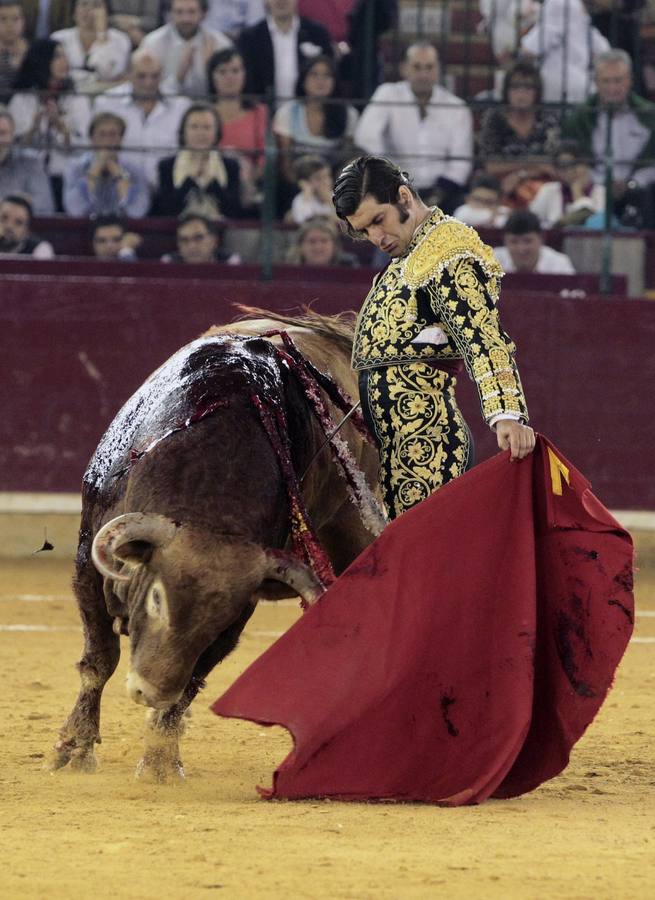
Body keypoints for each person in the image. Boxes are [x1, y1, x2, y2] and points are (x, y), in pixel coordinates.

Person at [332, 155, 534, 520]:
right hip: (399, 449)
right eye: (365, 231)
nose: (376, 238)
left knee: (427, 565)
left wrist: (506, 414)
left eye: (379, 221)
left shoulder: (447, 249)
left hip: (429, 443)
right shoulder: (407, 256)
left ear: (404, 197)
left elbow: (482, 335)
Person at [354, 42, 473, 215]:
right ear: (404, 69)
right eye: (417, 67)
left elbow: (461, 163)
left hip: (443, 193)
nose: (424, 74)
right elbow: (366, 138)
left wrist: (436, 196)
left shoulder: (457, 107)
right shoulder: (387, 94)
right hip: (393, 188)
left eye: (429, 67)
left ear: (438, 69)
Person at [561, 49, 655, 228]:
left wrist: (632, 183)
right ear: (596, 82)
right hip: (593, 191)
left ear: (629, 81)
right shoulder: (580, 118)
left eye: (618, 80)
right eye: (606, 81)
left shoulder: (649, 116)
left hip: (640, 194)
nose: (612, 88)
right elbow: (570, 160)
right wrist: (599, 183)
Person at [9, 39, 92, 210]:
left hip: (65, 176)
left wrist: (60, 127)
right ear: (42, 60)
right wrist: (33, 128)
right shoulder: (22, 99)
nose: (64, 62)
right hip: (28, 177)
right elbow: (12, 147)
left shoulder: (77, 99)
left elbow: (84, 146)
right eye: (57, 57)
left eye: (65, 56)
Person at [94, 49, 190, 189]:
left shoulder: (181, 106)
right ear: (128, 75)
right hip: (120, 190)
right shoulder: (107, 103)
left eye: (155, 76)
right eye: (141, 76)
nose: (148, 83)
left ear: (162, 76)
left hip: (167, 190)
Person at [477, 59, 559, 207]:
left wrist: (521, 174)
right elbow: (491, 166)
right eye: (515, 87)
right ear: (506, 91)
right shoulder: (494, 118)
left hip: (541, 188)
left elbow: (552, 167)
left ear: (537, 92)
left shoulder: (548, 119)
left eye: (528, 88)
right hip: (500, 186)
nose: (521, 94)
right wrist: (533, 164)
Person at [272, 53, 358, 185]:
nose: (320, 81)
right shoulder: (287, 113)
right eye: (314, 75)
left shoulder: (349, 114)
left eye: (327, 76)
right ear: (303, 80)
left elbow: (347, 160)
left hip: (335, 186)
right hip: (298, 185)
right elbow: (286, 164)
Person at [151, 102, 243, 218]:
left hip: (220, 231)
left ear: (216, 133)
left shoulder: (231, 165)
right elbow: (167, 210)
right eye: (194, 127)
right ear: (183, 132)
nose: (201, 133)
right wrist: (190, 181)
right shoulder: (166, 166)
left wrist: (212, 183)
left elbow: (234, 211)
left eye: (207, 127)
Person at [237, 0, 333, 101]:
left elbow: (330, 73)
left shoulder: (318, 34)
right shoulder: (249, 38)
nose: (281, 1)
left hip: (308, 111)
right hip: (263, 111)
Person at [207, 46, 267, 205]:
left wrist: (248, 177)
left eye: (235, 71)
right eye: (222, 71)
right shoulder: (203, 113)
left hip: (249, 187)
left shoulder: (259, 113)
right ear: (212, 76)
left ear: (244, 74)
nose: (229, 77)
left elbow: (265, 157)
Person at [520, 0, 610, 103]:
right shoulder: (562, 4)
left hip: (572, 84)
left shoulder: (574, 7)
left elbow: (530, 49)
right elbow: (534, 47)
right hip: (560, 84)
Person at [62, 110, 150, 216]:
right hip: (87, 228)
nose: (108, 140)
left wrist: (118, 173)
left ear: (121, 139)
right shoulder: (75, 167)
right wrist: (96, 169)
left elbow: (137, 212)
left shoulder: (134, 169)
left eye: (113, 134)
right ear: (92, 138)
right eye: (102, 134)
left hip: (124, 228)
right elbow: (75, 209)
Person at [140, 0, 232, 97]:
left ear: (203, 14)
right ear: (170, 14)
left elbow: (228, 89)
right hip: (164, 107)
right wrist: (179, 78)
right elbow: (145, 88)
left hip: (209, 107)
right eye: (179, 12)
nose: (186, 19)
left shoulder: (220, 43)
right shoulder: (153, 43)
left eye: (192, 12)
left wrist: (209, 68)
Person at [52, 0, 132, 88]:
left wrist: (101, 35)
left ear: (107, 12)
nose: (89, 9)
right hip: (68, 95)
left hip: (110, 96)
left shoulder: (121, 39)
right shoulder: (58, 38)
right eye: (83, 4)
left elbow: (109, 72)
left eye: (96, 5)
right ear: (74, 12)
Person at [529, 140, 605, 228]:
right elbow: (532, 222)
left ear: (584, 164)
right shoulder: (549, 190)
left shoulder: (601, 192)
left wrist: (577, 191)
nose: (569, 171)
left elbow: (593, 223)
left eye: (573, 165)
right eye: (563, 167)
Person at [0, 107, 55, 213]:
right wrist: (22, 201)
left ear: (12, 136)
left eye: (3, 133)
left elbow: (45, 206)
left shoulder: (31, 161)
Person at [493, 209, 576, 273]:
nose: (521, 249)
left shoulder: (559, 263)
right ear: (505, 241)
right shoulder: (491, 261)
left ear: (541, 239)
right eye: (514, 242)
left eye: (528, 241)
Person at [162, 211, 242, 263]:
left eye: (198, 238)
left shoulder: (230, 263)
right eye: (184, 240)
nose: (191, 246)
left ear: (214, 241)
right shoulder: (168, 263)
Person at [286, 214, 357, 265]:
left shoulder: (350, 267)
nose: (318, 247)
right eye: (312, 241)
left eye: (324, 241)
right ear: (300, 246)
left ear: (335, 246)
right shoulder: (287, 272)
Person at [287, 153, 334, 223]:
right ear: (305, 183)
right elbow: (304, 220)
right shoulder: (301, 200)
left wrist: (330, 201)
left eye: (327, 176)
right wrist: (307, 196)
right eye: (318, 178)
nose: (326, 182)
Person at [0, 1, 28, 102]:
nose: (9, 25)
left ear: (23, 22)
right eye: (3, 19)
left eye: (15, 19)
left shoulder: (33, 53)